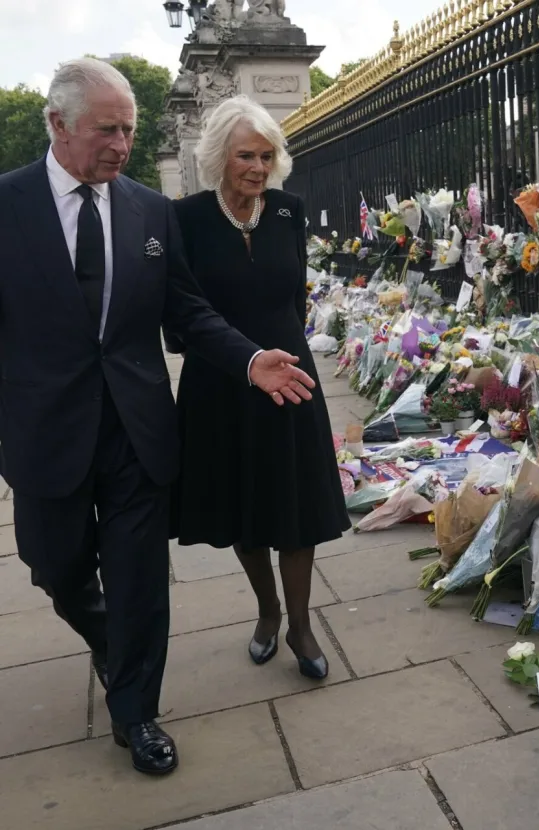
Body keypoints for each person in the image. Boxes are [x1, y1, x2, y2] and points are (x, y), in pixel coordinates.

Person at [0, 58, 316, 776]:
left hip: (138, 428)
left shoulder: (147, 210)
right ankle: (111, 641)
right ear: (58, 125)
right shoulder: (7, 205)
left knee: (141, 577)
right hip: (44, 428)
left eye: (130, 130)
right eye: (106, 130)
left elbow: (187, 309)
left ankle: (136, 710)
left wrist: (246, 359)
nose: (120, 144)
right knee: (54, 565)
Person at [166, 97, 350, 681]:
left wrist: (285, 348)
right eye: (246, 154)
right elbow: (181, 314)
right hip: (222, 384)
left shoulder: (290, 211)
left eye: (267, 155)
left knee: (295, 506)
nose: (257, 166)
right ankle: (267, 611)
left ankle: (299, 622)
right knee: (246, 509)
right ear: (220, 155)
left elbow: (293, 297)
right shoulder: (186, 218)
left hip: (291, 378)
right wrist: (242, 357)